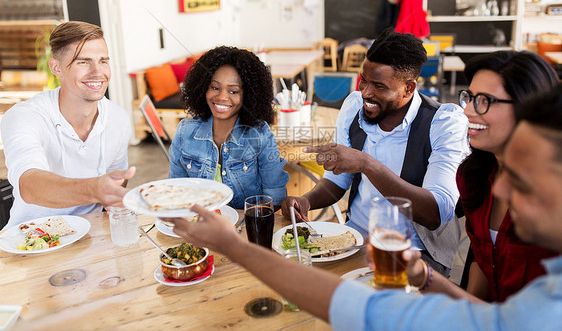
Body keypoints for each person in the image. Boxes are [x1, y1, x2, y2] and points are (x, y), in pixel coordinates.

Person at [165, 83, 562, 330]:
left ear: (408, 87)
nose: (502, 190)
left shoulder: (441, 122)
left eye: (522, 177)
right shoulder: (545, 293)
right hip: (376, 255)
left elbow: (370, 310)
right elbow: (486, 319)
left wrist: (234, 246)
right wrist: (426, 279)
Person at [282, 28, 469, 274]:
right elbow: (337, 182)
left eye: (379, 86)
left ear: (409, 88)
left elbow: (436, 213)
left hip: (415, 250)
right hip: (355, 238)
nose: (366, 93)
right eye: (364, 80)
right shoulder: (353, 108)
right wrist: (306, 200)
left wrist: (366, 164)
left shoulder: (443, 122)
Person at [1, 21, 135, 229]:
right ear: (56, 68)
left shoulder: (118, 118)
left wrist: (112, 193)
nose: (97, 72)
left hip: (91, 234)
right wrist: (95, 189)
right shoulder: (24, 116)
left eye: (103, 61)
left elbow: (115, 181)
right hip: (29, 238)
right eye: (83, 62)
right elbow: (29, 185)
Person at [453, 51, 558, 302]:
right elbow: (482, 261)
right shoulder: (473, 177)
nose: (467, 110)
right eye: (469, 97)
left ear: (529, 106)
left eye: (484, 100)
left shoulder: (554, 194)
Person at [168, 45, 289, 209]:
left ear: (248, 95)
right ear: (203, 87)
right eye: (215, 87)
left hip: (243, 229)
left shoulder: (260, 134)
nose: (222, 97)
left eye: (233, 91)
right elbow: (176, 191)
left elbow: (274, 197)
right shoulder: (185, 132)